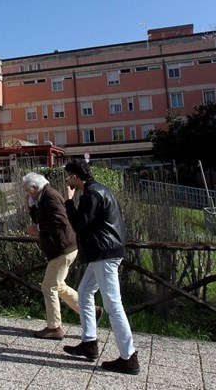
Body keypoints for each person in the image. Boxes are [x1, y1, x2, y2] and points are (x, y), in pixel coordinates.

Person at [61, 159, 139, 375]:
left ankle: (129, 357)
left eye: (69, 177)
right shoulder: (101, 190)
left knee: (113, 305)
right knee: (85, 292)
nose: (68, 181)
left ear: (76, 177)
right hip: (103, 253)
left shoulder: (91, 195)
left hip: (104, 254)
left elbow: (79, 225)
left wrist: (68, 202)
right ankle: (89, 343)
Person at [22, 172, 80, 340]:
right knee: (58, 285)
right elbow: (41, 219)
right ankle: (91, 311)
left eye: (27, 190)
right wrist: (32, 207)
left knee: (48, 286)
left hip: (63, 249)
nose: (26, 193)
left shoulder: (50, 196)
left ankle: (54, 328)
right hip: (64, 248)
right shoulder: (43, 197)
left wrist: (38, 228)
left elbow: (61, 220)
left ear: (34, 187)